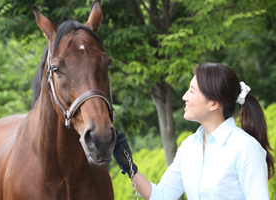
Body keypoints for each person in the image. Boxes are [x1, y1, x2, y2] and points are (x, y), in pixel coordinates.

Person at [113, 63, 275, 200]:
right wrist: (130, 169)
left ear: (213, 104)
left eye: (192, 91)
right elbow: (163, 196)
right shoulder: (189, 147)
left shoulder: (245, 148)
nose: (185, 97)